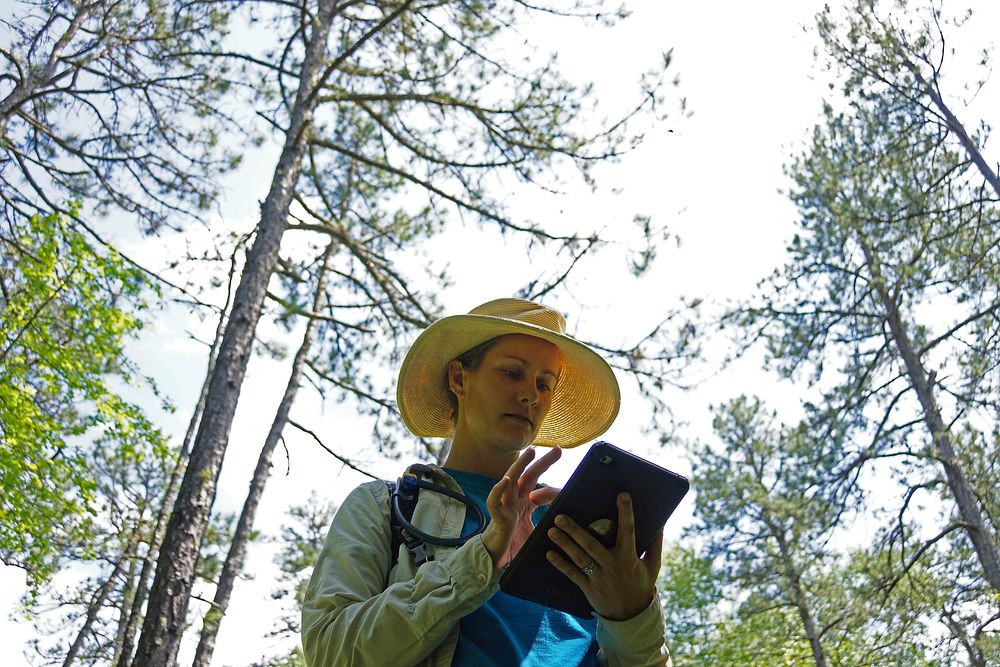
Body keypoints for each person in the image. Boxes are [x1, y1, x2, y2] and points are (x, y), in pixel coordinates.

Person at [301, 298, 671, 666]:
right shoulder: (386, 505)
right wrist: (483, 557)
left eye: (545, 385)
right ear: (459, 378)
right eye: (512, 373)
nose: (530, 395)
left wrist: (632, 617)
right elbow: (330, 652)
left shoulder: (574, 529)